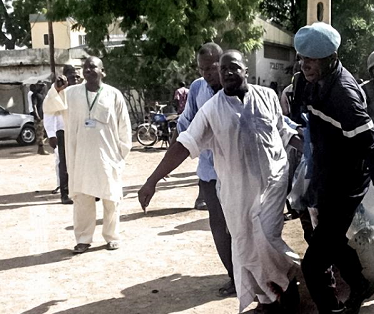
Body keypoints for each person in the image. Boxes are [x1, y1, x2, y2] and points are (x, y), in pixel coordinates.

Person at [138, 50, 302, 313]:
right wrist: (152, 180)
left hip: (273, 183)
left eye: (233, 67)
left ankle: (288, 284)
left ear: (245, 69)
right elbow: (184, 144)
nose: (227, 73)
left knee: (266, 237)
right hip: (236, 192)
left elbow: (283, 130)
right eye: (223, 69)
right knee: (246, 245)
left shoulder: (267, 96)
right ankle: (270, 297)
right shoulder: (211, 110)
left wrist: (312, 151)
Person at [293, 23, 374, 314]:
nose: (306, 65)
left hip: (347, 184)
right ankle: (360, 285)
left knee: (313, 263)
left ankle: (331, 309)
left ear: (331, 58)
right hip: (324, 175)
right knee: (332, 240)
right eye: (302, 58)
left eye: (313, 59)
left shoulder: (345, 98)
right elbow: (307, 121)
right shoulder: (305, 81)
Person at [170, 42, 235, 297]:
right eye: (202, 69)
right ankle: (234, 276)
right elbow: (185, 125)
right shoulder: (198, 89)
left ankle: (252, 277)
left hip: (237, 174)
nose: (207, 73)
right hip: (209, 172)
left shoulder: (238, 88)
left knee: (243, 229)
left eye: (212, 67)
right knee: (219, 227)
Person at [62, 56, 132, 253]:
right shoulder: (71, 93)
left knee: (111, 197)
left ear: (103, 71)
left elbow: (124, 126)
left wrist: (120, 153)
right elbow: (52, 106)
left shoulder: (114, 95)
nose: (88, 70)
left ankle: (112, 236)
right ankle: (83, 239)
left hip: (107, 156)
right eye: (85, 68)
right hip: (81, 157)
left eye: (93, 67)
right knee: (83, 198)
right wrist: (56, 89)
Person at [42, 65, 79, 204]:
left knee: (82, 162)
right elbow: (49, 112)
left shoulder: (81, 91)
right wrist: (51, 134)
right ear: (65, 77)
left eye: (77, 76)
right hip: (63, 133)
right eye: (72, 77)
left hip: (79, 132)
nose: (75, 79)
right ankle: (65, 194)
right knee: (64, 164)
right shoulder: (56, 93)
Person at [31, 83, 48, 155]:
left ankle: (41, 148)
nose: (41, 87)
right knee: (40, 133)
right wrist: (37, 116)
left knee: (45, 133)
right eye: (40, 85)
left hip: (45, 116)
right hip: (39, 117)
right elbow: (34, 106)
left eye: (42, 86)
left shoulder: (43, 95)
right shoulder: (35, 95)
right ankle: (41, 149)